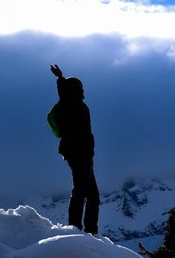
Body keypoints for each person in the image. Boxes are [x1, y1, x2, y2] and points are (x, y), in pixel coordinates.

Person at [49, 64, 100, 234]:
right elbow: (64, 94)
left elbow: (63, 93)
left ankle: (84, 229)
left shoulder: (70, 104)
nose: (83, 90)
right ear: (76, 90)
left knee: (90, 193)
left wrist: (60, 78)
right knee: (82, 191)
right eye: (80, 88)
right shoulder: (72, 104)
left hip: (78, 152)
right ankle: (78, 228)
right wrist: (60, 79)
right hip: (80, 152)